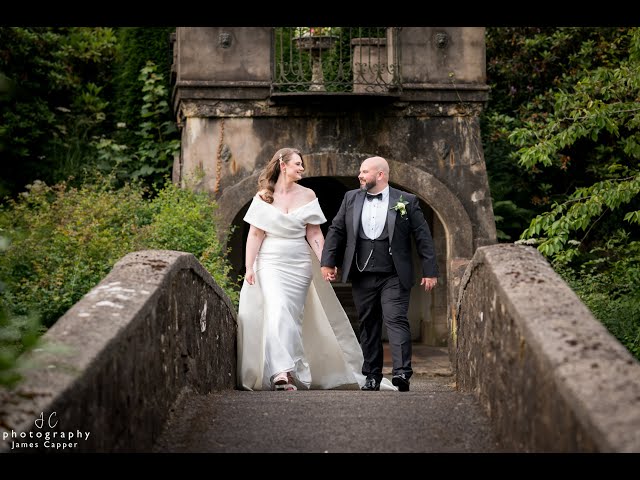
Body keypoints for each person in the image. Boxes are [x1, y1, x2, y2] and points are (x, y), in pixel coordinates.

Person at [236, 148, 396, 391]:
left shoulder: (308, 194)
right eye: (298, 164)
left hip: (299, 262)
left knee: (292, 316)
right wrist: (249, 266)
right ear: (283, 164)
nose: (302, 168)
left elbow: (314, 234)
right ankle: (281, 372)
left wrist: (325, 262)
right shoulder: (264, 196)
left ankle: (288, 370)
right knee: (278, 309)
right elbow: (255, 234)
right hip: (269, 260)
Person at [321, 156, 438, 392]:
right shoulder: (351, 198)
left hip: (394, 273)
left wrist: (430, 270)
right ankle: (372, 376)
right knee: (369, 323)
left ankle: (402, 373)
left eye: (364, 171)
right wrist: (328, 262)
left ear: (381, 175)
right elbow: (337, 229)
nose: (360, 176)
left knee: (396, 319)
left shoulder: (406, 201)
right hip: (362, 273)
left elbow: (423, 236)